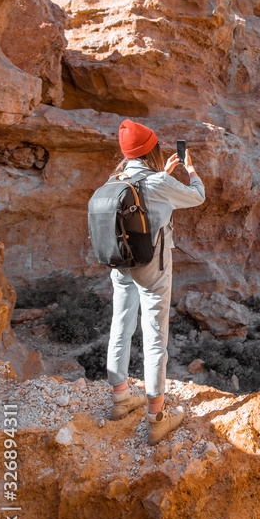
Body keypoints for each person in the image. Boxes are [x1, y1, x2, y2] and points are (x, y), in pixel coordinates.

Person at [106, 118, 205, 444]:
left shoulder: (115, 179)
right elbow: (196, 197)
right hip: (153, 266)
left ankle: (121, 397)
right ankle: (156, 416)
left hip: (120, 264)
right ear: (151, 150)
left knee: (120, 325)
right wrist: (190, 171)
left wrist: (161, 174)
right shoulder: (159, 181)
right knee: (154, 337)